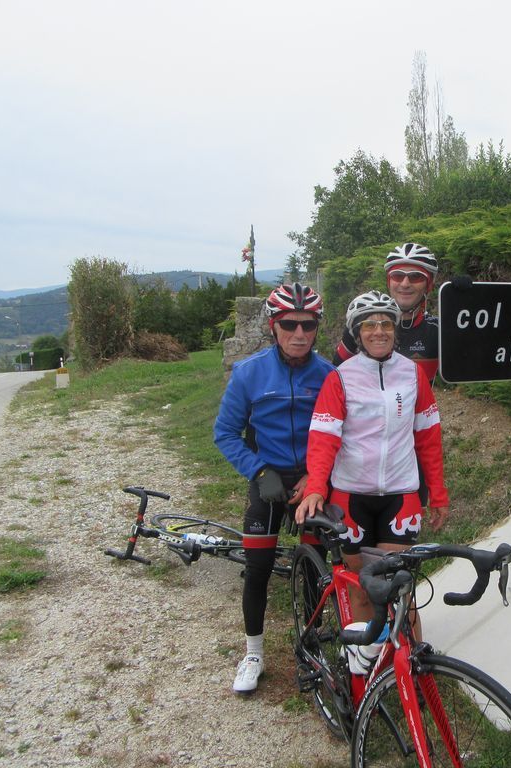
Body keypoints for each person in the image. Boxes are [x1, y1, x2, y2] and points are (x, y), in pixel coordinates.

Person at [296, 290, 449, 626]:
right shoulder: (340, 377)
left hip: (402, 493)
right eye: (369, 325)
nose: (379, 331)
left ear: (395, 329)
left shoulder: (412, 374)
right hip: (351, 496)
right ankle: (363, 673)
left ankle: (409, 672)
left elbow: (428, 438)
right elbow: (324, 439)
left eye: (386, 324)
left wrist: (437, 492)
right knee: (363, 590)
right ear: (357, 333)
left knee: (400, 588)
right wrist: (316, 487)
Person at [213, 282, 334, 694]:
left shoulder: (330, 376)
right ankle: (253, 653)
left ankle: (312, 643)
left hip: (312, 481)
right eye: (289, 324)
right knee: (258, 570)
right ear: (273, 325)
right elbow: (226, 432)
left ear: (318, 327)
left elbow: (344, 433)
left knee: (316, 566)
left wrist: (317, 476)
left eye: (308, 324)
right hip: (268, 479)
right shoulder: (250, 373)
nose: (299, 333)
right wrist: (259, 470)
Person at [334, 242, 440, 383]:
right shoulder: (361, 324)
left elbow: (472, 362)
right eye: (397, 276)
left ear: (429, 284)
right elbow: (335, 376)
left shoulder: (438, 330)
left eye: (415, 277)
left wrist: (467, 302)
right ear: (389, 282)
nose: (405, 284)